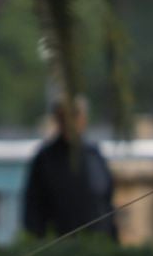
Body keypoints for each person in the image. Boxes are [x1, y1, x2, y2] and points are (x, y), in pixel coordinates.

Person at [21, 97, 113, 237]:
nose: (70, 122)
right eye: (64, 117)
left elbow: (106, 201)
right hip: (57, 247)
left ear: (84, 119)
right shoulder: (45, 159)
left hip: (96, 243)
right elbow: (33, 211)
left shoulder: (94, 155)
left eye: (75, 115)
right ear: (57, 119)